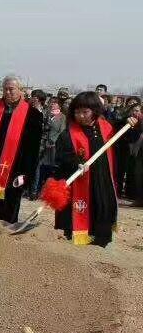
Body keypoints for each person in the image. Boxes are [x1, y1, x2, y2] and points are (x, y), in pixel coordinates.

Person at [53, 92, 130, 246]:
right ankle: (78, 233)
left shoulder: (106, 127)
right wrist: (76, 163)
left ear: (94, 111)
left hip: (102, 176)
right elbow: (62, 155)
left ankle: (101, 235)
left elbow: (118, 146)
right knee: (81, 208)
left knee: (102, 204)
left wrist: (130, 121)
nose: (80, 116)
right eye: (77, 112)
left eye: (85, 112)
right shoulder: (68, 134)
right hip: (82, 178)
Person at [0, 75, 43, 223]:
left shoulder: (33, 114)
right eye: (5, 89)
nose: (7, 92)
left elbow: (33, 149)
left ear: (20, 90)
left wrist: (26, 174)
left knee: (7, 211)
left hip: (14, 168)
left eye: (11, 89)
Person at [35, 99, 66, 197]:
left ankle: (48, 191)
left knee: (51, 168)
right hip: (43, 144)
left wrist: (53, 141)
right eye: (51, 104)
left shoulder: (62, 117)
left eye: (55, 104)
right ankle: (38, 190)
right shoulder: (47, 115)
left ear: (59, 107)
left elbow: (62, 132)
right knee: (41, 167)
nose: (52, 105)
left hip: (54, 146)